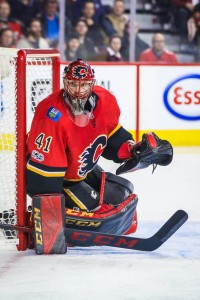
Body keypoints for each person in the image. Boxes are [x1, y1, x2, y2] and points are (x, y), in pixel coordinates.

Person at [26, 58, 173, 235]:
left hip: (78, 170)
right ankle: (30, 221)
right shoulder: (52, 115)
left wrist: (132, 149)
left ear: (92, 84)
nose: (78, 91)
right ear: (65, 83)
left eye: (84, 85)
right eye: (73, 84)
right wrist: (50, 213)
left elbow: (110, 135)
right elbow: (45, 175)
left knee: (120, 192)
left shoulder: (105, 100)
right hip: (48, 176)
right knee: (98, 212)